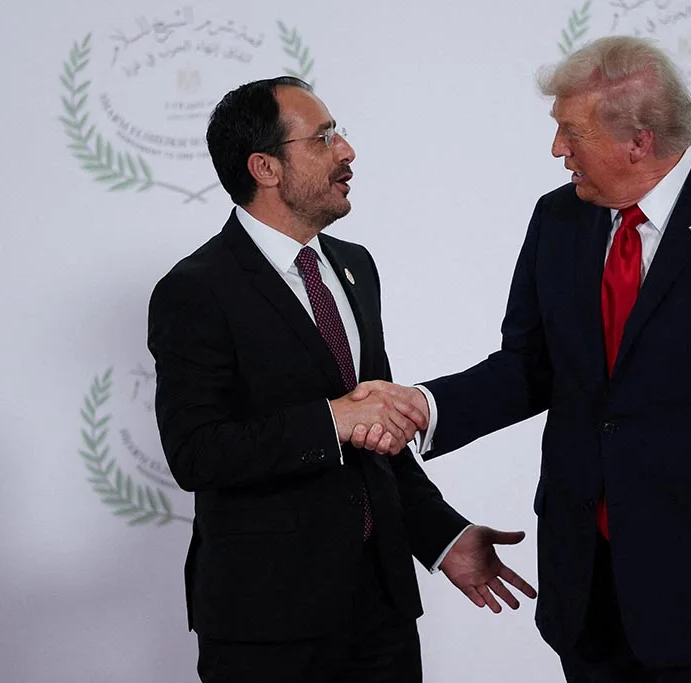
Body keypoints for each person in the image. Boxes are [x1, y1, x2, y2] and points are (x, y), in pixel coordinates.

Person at [350, 36, 691, 682]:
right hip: (586, 590)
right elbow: (531, 365)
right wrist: (424, 405)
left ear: (638, 141)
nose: (558, 149)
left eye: (571, 132)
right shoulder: (558, 219)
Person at [147, 76, 535, 683]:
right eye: (323, 138)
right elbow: (197, 453)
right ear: (265, 167)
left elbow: (378, 435)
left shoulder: (355, 267)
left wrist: (444, 537)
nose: (346, 152)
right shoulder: (195, 290)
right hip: (267, 625)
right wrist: (332, 420)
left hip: (381, 613)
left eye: (339, 134)